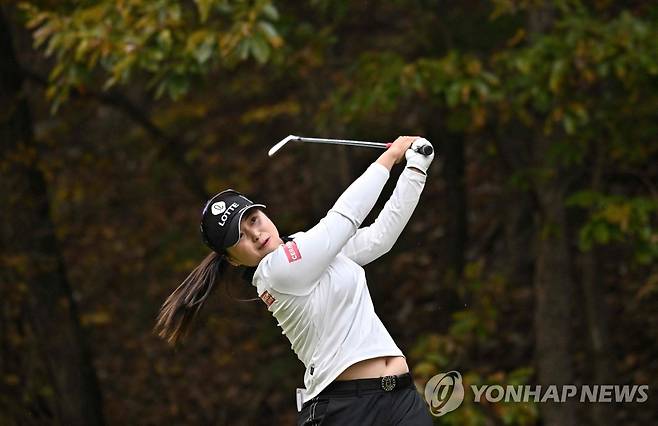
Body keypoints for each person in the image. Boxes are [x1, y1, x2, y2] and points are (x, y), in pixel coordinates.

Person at [154, 135, 435, 425]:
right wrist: (389, 158)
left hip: (400, 399)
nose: (255, 234)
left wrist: (415, 169)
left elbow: (379, 238)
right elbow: (345, 217)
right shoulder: (275, 272)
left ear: (263, 212)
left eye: (251, 220)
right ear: (233, 260)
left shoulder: (307, 249)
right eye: (238, 237)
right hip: (346, 409)